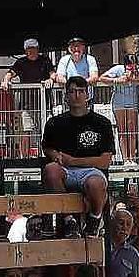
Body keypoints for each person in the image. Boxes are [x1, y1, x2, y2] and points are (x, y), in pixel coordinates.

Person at [41, 75, 117, 226]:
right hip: (65, 170)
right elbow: (47, 147)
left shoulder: (102, 123)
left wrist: (73, 161)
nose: (76, 95)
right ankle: (69, 220)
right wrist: (55, 156)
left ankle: (95, 220)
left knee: (96, 184)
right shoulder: (54, 123)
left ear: (87, 95)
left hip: (92, 172)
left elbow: (105, 161)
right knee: (50, 170)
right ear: (66, 96)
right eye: (72, 91)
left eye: (80, 91)